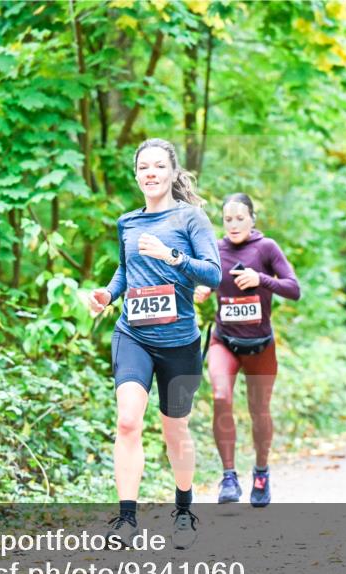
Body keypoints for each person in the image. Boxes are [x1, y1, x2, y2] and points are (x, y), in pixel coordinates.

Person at [88, 138, 221, 549]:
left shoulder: (191, 219)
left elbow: (213, 275)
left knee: (174, 429)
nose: (150, 173)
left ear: (172, 172)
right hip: (134, 334)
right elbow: (125, 270)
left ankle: (184, 510)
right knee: (128, 421)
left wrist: (172, 257)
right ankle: (127, 518)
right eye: (143, 167)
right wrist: (107, 296)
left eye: (158, 167)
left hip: (179, 340)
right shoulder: (128, 222)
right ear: (136, 175)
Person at [194, 193, 301, 507]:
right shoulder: (215, 248)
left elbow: (294, 288)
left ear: (253, 219)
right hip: (223, 341)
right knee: (220, 396)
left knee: (259, 411)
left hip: (260, 345)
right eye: (228, 219)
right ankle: (228, 476)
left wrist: (261, 279)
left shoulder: (266, 248)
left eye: (240, 218)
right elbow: (207, 280)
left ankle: (261, 472)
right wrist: (202, 288)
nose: (234, 224)